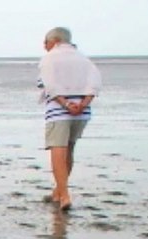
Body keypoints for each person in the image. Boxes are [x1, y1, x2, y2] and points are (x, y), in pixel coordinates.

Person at [39, 27, 101, 212]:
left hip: (59, 111)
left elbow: (49, 86)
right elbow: (95, 84)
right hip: (82, 111)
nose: (44, 46)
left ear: (55, 41)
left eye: (46, 42)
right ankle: (59, 190)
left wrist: (65, 104)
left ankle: (64, 194)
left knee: (58, 150)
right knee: (70, 148)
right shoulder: (84, 58)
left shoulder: (49, 58)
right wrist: (83, 103)